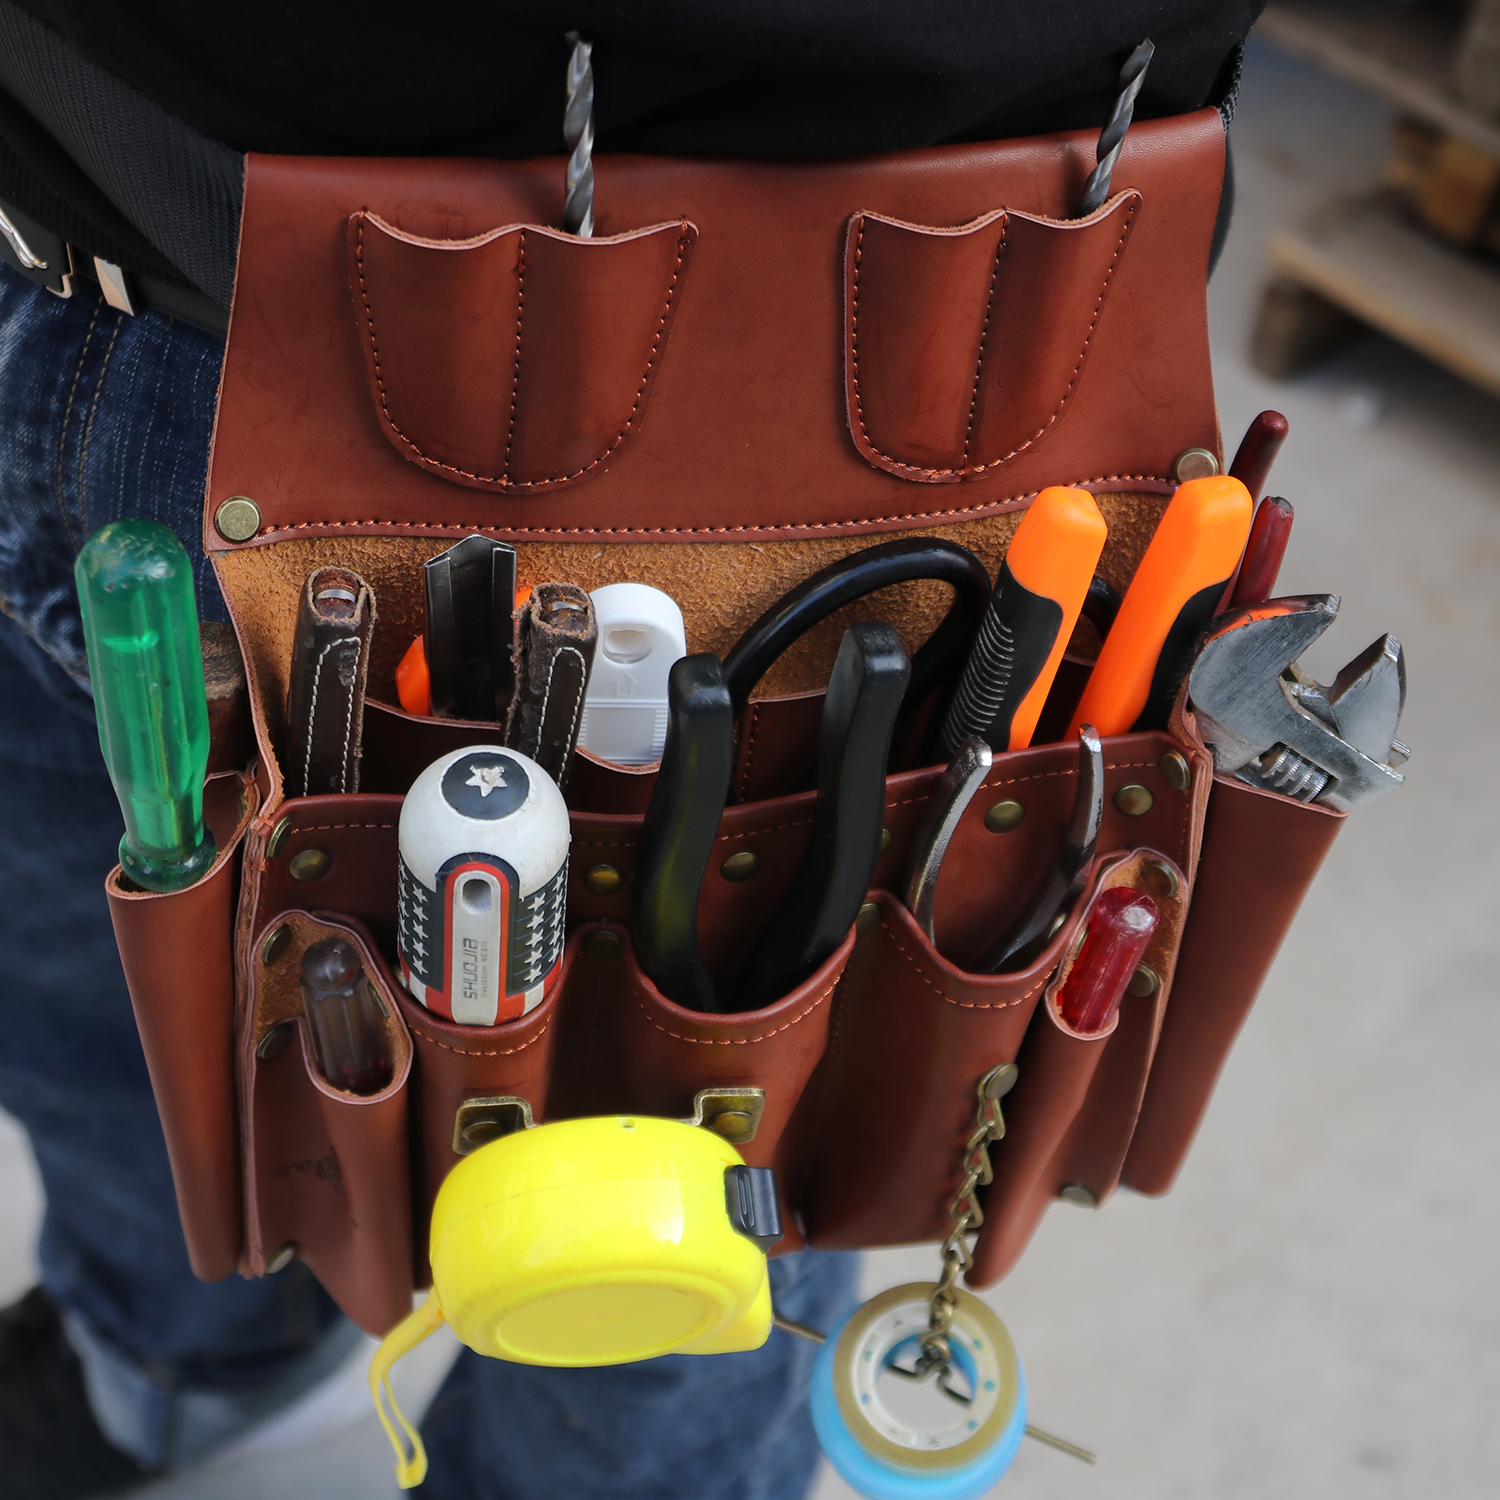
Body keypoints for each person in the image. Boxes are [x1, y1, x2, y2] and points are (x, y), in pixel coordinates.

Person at [0, 5, 1259, 1497]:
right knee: (89, 1025)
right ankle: (176, 1371)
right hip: (73, 248)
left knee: (653, 1273)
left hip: (928, 380)